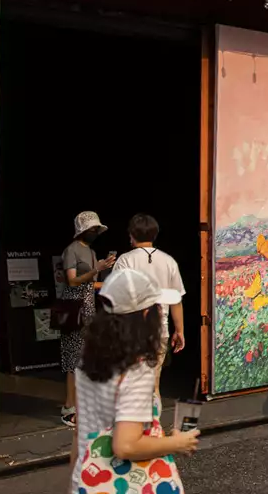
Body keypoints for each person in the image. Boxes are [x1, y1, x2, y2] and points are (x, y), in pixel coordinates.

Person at [69, 266, 197, 493]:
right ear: (146, 314)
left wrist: (75, 481)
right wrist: (177, 443)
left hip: (90, 481)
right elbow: (126, 445)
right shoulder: (136, 371)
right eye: (157, 307)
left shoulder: (88, 363)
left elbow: (80, 432)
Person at [111, 214, 186, 401]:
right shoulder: (168, 261)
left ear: (131, 235)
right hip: (159, 330)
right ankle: (154, 428)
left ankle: (133, 429)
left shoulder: (125, 260)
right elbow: (176, 299)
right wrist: (180, 330)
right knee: (153, 387)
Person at [60, 210, 115, 426]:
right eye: (92, 229)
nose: (95, 232)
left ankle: (84, 406)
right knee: (73, 361)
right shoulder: (71, 251)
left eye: (96, 230)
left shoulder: (90, 252)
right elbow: (72, 281)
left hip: (89, 308)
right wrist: (97, 269)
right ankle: (68, 408)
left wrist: (110, 275)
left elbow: (91, 283)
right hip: (74, 310)